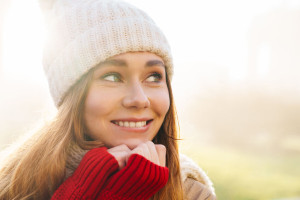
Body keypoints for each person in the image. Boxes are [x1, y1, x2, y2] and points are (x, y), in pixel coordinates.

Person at [0, 0, 216, 199]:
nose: (140, 100)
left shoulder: (192, 194)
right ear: (71, 94)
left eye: (153, 77)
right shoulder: (14, 183)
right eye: (112, 77)